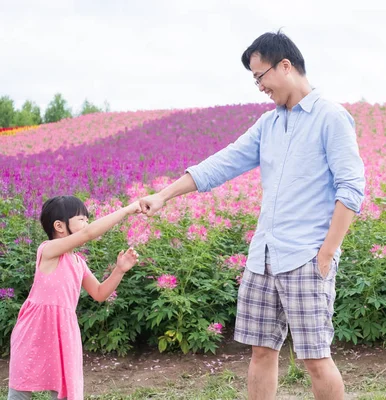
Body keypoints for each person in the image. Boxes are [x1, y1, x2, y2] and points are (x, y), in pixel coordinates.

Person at [139, 30, 365, 400]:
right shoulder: (269, 124)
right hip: (263, 257)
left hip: (306, 257)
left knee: (315, 357)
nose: (259, 86)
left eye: (260, 76)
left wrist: (326, 254)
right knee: (261, 351)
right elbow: (221, 164)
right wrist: (163, 195)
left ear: (286, 66)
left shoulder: (331, 118)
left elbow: (352, 190)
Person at [8, 195, 141, 400]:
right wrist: (125, 210)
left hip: (64, 330)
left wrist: (120, 270)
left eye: (88, 220)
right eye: (81, 219)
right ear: (60, 226)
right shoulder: (48, 250)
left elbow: (99, 293)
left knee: (66, 389)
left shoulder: (78, 262)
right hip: (34, 329)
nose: (87, 224)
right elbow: (88, 234)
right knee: (21, 390)